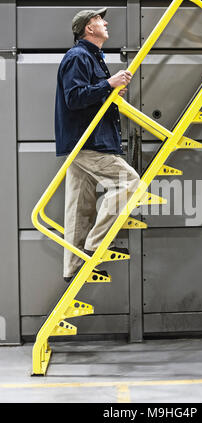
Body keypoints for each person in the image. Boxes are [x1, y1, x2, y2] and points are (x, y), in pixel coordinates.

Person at [55, 8, 140, 282]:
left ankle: (73, 266)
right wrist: (108, 84)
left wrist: (108, 88)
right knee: (130, 183)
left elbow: (87, 95)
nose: (104, 23)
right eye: (99, 20)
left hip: (83, 142)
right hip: (88, 141)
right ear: (88, 29)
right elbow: (74, 97)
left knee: (79, 207)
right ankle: (95, 245)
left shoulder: (90, 57)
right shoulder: (78, 56)